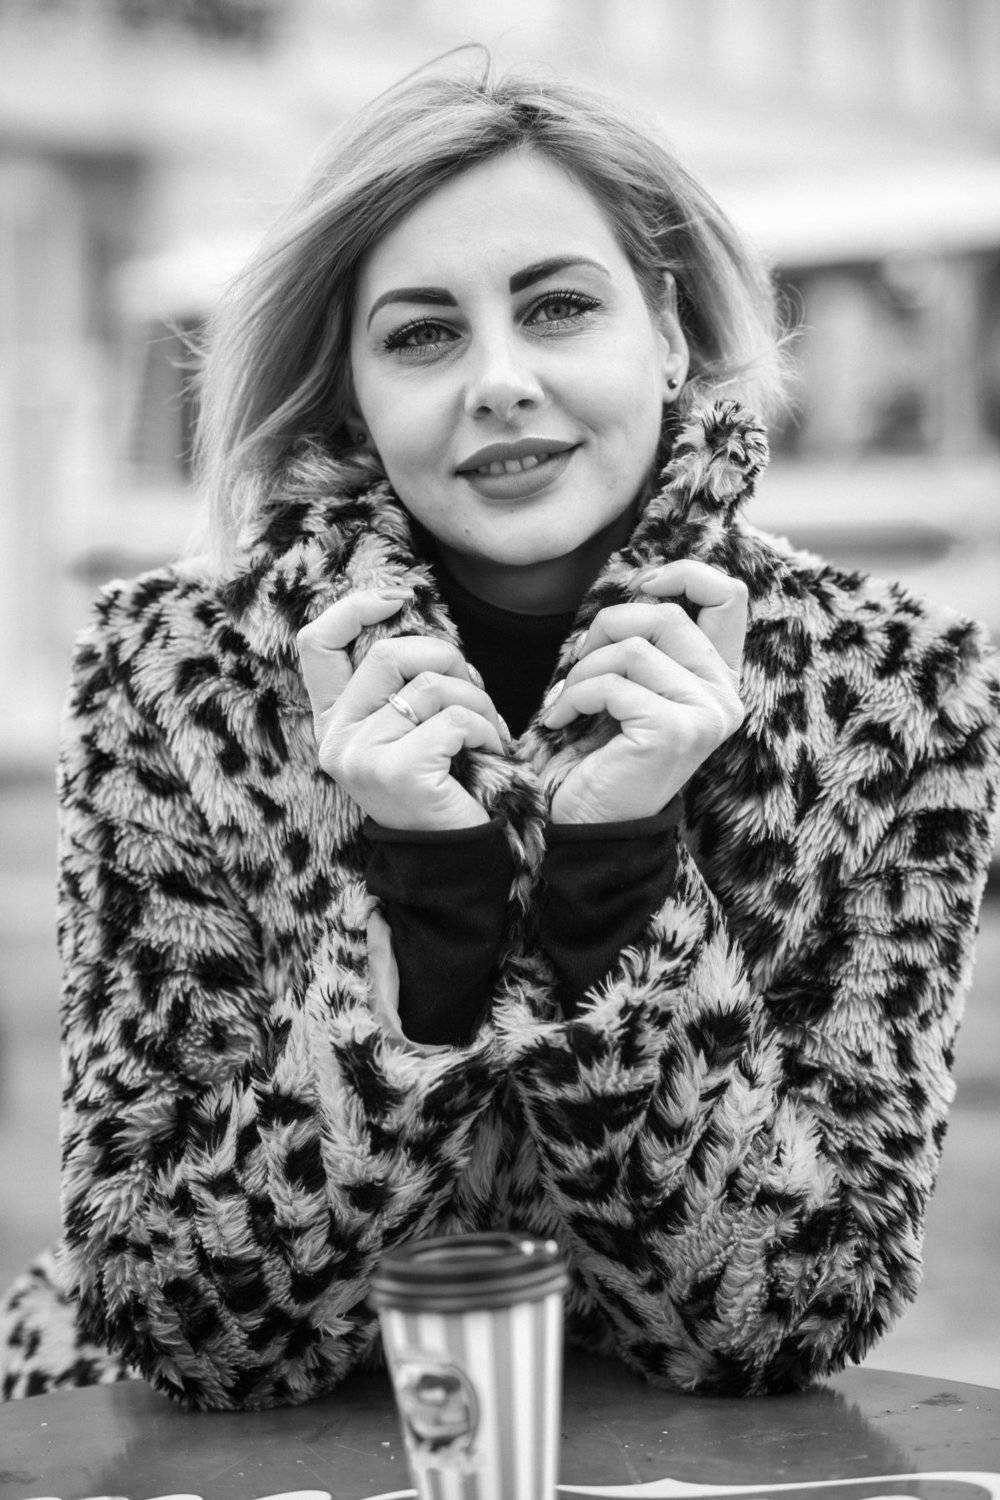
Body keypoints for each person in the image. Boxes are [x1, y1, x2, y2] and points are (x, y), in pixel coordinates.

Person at [1, 52, 998, 1412]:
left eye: (559, 307)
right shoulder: (176, 673)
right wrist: (427, 911)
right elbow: (180, 1322)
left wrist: (624, 871)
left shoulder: (899, 691)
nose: (500, 381)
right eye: (422, 335)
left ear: (667, 332)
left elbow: (791, 1317)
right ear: (350, 391)